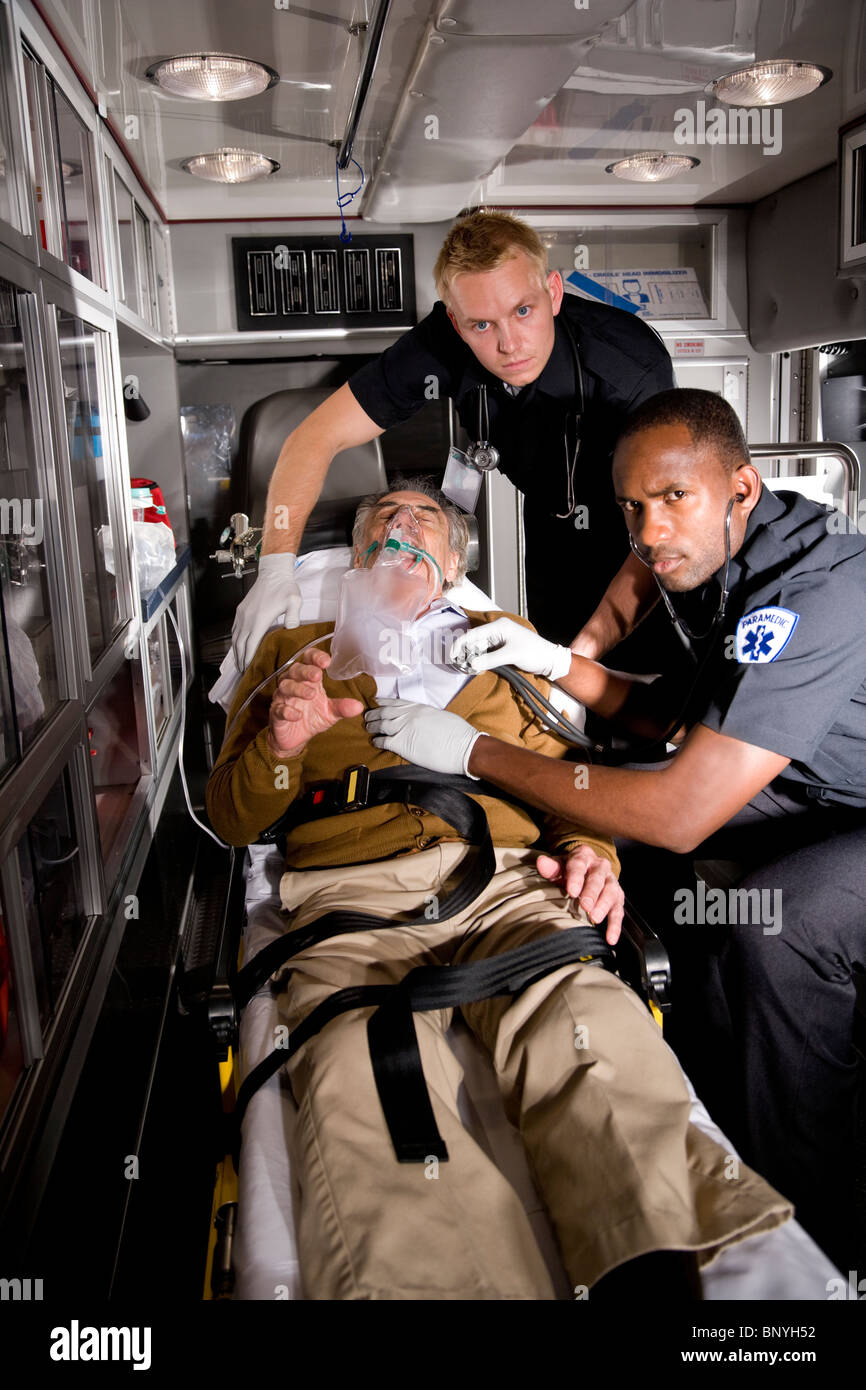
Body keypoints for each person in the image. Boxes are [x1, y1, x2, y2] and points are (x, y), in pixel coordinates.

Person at [207, 479, 791, 1301]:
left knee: (581, 1018)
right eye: (384, 518)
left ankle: (682, 1270)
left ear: (452, 564)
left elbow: (569, 783)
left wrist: (592, 852)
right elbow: (232, 819)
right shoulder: (293, 652)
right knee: (361, 1065)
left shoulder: (502, 643)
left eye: (426, 520)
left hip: (507, 886)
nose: (402, 524)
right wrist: (282, 741)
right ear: (356, 557)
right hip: (349, 905)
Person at [365, 390, 866, 1273]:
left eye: (676, 498)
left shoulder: (815, 594)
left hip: (851, 808)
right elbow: (675, 725)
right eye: (634, 506)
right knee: (622, 827)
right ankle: (697, 1066)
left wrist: (475, 752)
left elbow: (683, 806)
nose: (651, 529)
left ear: (740, 488)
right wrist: (560, 664)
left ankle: (811, 1221)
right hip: (815, 782)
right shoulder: (731, 565)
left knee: (772, 925)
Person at [230, 210, 675, 671]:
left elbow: (665, 528)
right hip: (552, 523)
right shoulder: (442, 340)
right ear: (457, 325)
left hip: (645, 540)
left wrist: (573, 663)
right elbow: (313, 436)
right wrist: (276, 567)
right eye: (482, 325)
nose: (510, 344)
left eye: (523, 311)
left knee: (639, 685)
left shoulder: (631, 371)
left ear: (554, 293)